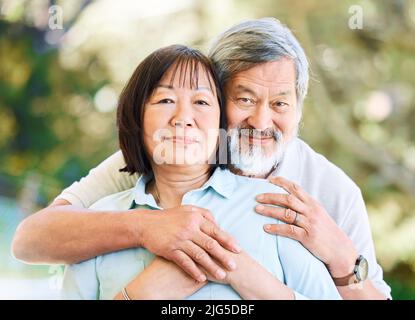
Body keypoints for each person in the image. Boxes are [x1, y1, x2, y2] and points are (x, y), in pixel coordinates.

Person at [12, 18, 391, 299]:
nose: (261, 121)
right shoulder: (161, 160)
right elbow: (31, 240)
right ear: (215, 96)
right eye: (244, 99)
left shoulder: (329, 189)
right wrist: (145, 228)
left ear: (298, 110)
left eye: (279, 104)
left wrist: (342, 260)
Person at [62, 44, 340, 300]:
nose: (183, 118)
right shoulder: (101, 223)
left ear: (222, 121)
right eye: (165, 100)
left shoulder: (270, 205)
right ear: (136, 115)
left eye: (202, 102)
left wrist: (245, 275)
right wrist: (138, 296)